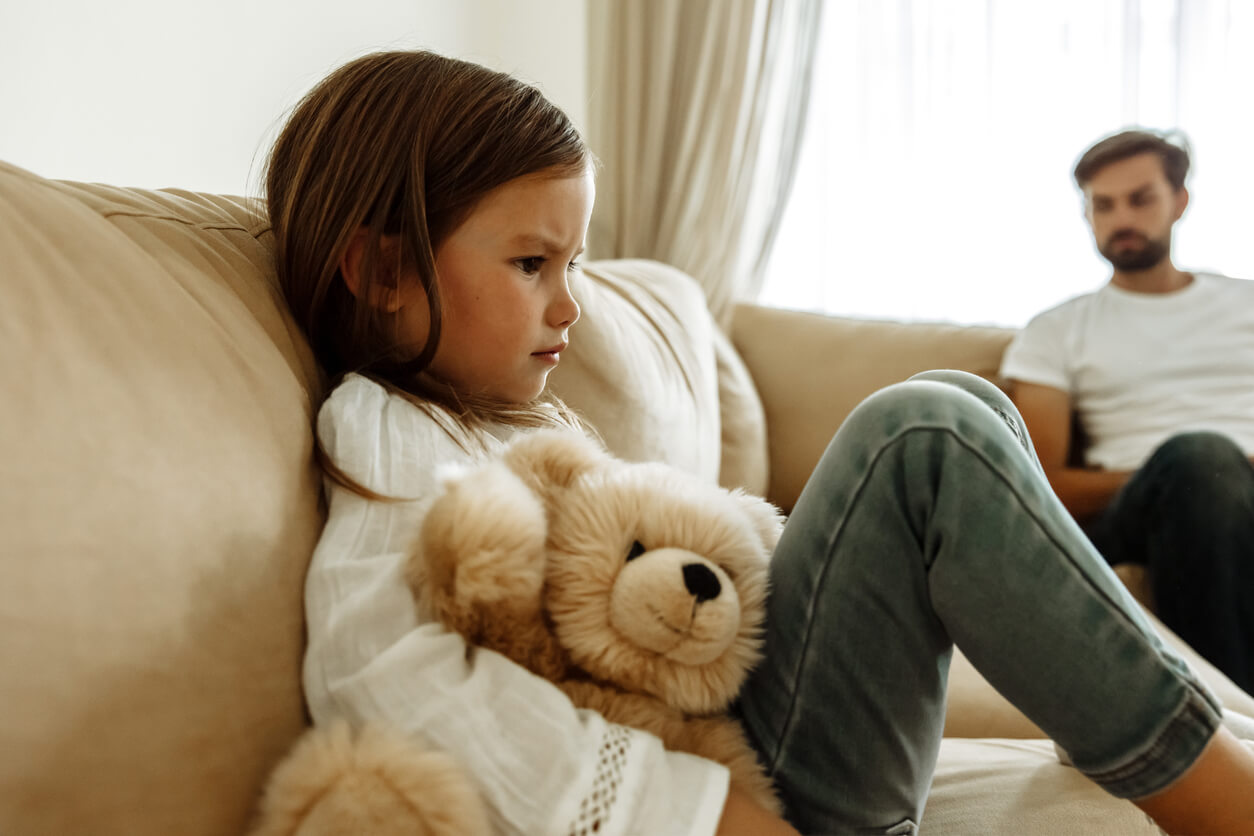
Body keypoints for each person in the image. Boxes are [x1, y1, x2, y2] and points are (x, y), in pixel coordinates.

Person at [265, 52, 1254, 836]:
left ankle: (1216, 737)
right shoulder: (385, 428)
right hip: (757, 794)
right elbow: (378, 671)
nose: (570, 304)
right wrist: (709, 818)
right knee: (922, 433)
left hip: (754, 728)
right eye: (533, 262)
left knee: (958, 401)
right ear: (382, 270)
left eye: (575, 263)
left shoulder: (516, 418)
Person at [1001, 128, 1254, 695]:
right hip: (1142, 511)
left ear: (1179, 201)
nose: (1121, 219)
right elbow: (1040, 488)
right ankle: (1233, 733)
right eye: (1103, 204)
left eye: (1141, 199)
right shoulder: (1057, 331)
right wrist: (1198, 471)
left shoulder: (1245, 303)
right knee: (1200, 461)